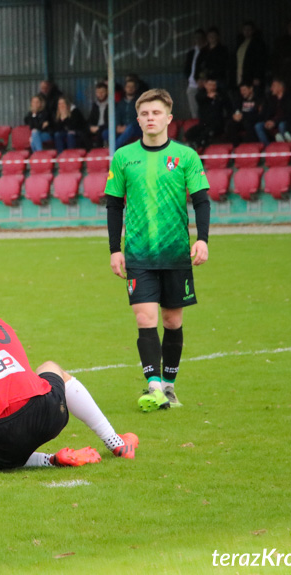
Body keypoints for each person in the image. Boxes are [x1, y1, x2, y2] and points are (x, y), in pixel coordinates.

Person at [0, 284, 139, 475]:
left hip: (5, 436)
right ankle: (116, 443)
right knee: (50, 367)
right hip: (51, 412)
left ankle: (49, 460)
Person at [103, 88, 210, 413]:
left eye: (156, 113)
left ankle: (169, 386)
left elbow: (201, 199)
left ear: (168, 118)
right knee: (144, 317)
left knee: (172, 320)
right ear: (138, 119)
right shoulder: (123, 157)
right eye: (145, 114)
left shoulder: (186, 156)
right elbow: (113, 205)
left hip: (176, 253)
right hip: (137, 254)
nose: (150, 118)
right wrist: (114, 249)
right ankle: (153, 386)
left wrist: (202, 239)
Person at [184, 78, 231, 148]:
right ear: (205, 85)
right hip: (204, 123)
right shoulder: (201, 95)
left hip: (217, 125)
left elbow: (228, 107)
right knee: (189, 133)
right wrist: (207, 97)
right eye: (210, 85)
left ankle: (195, 146)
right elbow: (199, 97)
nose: (212, 87)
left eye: (214, 85)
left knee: (206, 134)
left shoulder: (221, 95)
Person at [255, 79, 291, 144]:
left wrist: (275, 122)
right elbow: (266, 112)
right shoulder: (270, 99)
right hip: (273, 121)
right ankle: (267, 147)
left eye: (273, 86)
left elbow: (289, 114)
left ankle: (286, 145)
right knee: (258, 126)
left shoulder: (289, 97)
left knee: (282, 125)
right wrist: (267, 121)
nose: (271, 89)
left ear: (280, 87)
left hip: (285, 121)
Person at [235, 21, 268, 94]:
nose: (247, 32)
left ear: (253, 31)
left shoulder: (258, 43)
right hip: (240, 77)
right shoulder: (240, 43)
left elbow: (260, 61)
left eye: (249, 29)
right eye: (245, 29)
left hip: (251, 77)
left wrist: (257, 76)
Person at [183, 29, 207, 119]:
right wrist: (189, 76)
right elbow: (187, 67)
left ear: (204, 39)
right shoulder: (191, 52)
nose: (198, 40)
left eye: (200, 38)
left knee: (204, 108)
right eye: (196, 38)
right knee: (194, 111)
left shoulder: (206, 51)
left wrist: (201, 79)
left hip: (203, 84)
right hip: (192, 84)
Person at [115, 79, 141, 148]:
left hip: (137, 127)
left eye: (132, 87)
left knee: (130, 128)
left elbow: (142, 116)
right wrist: (118, 126)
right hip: (123, 127)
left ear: (135, 88)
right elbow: (117, 115)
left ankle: (113, 149)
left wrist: (126, 127)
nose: (130, 89)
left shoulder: (140, 101)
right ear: (125, 88)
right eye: (128, 86)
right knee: (105, 133)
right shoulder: (121, 103)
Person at [87, 81, 110, 147]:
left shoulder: (111, 104)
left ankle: (99, 151)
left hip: (105, 127)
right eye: (98, 92)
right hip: (96, 127)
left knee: (101, 132)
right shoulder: (95, 105)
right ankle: (89, 152)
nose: (100, 94)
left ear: (107, 92)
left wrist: (99, 127)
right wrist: (90, 127)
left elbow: (111, 122)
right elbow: (91, 118)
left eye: (102, 92)